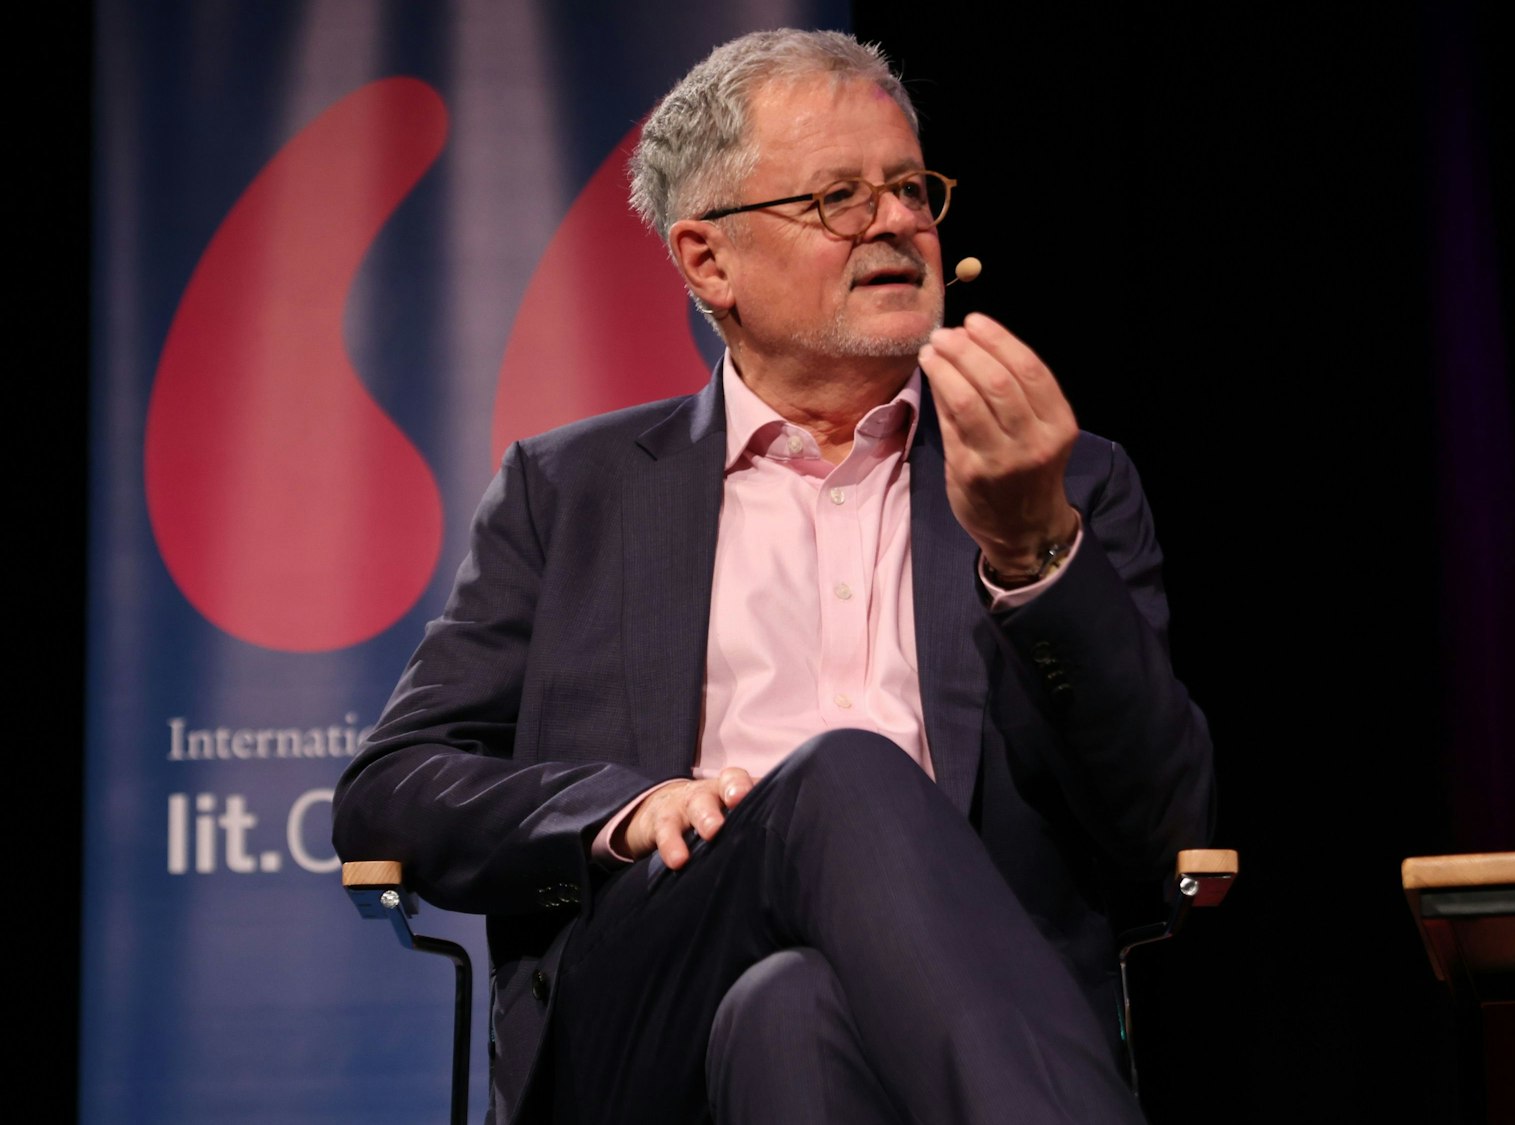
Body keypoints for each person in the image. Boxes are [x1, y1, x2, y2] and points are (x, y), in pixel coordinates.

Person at [331, 27, 1214, 1125]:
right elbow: (391, 791)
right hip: (644, 1003)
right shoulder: (569, 493)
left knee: (793, 1009)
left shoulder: (1059, 482)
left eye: (907, 188)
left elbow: (1161, 813)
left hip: (955, 1008)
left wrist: (1032, 555)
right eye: (837, 197)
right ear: (708, 261)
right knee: (842, 776)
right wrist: (625, 810)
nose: (895, 222)